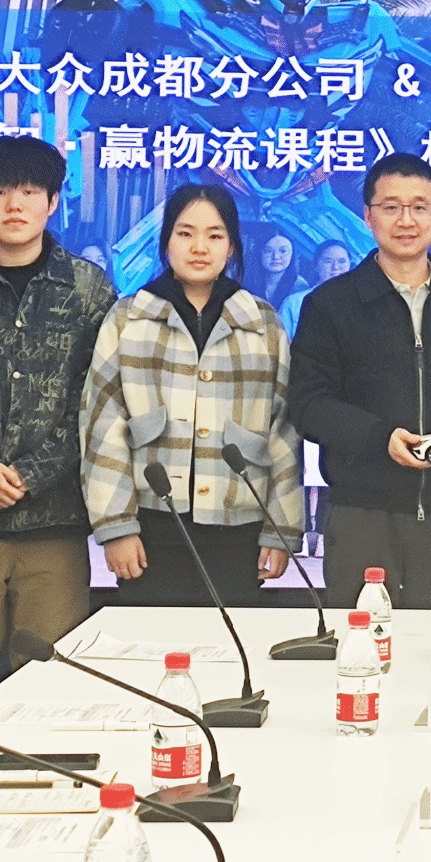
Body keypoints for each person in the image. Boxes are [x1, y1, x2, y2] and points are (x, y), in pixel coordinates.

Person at [0, 136, 116, 714]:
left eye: (30, 191)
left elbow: (100, 402)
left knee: (53, 685)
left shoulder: (88, 287)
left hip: (54, 520)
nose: (15, 204)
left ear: (53, 202)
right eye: (0, 191)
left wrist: (32, 472)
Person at [287, 153, 431, 609]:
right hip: (360, 517)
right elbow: (307, 404)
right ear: (368, 216)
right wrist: (381, 439)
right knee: (363, 645)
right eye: (391, 207)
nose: (406, 220)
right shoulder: (331, 303)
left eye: (419, 207)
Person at [81, 184, 300, 605]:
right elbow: (102, 423)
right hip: (150, 525)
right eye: (185, 233)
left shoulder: (263, 323)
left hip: (240, 527)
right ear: (166, 241)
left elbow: (284, 430)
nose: (200, 247)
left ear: (231, 246)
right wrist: (116, 525)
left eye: (215, 235)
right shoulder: (128, 319)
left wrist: (281, 528)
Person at [279, 238, 353, 340]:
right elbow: (279, 343)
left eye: (342, 261)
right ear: (316, 266)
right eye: (328, 261)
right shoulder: (294, 303)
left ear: (349, 265)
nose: (335, 267)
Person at [250, 228, 306, 309]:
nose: (275, 257)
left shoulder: (300, 287)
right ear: (259, 253)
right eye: (268, 251)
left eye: (283, 251)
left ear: (292, 255)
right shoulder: (246, 280)